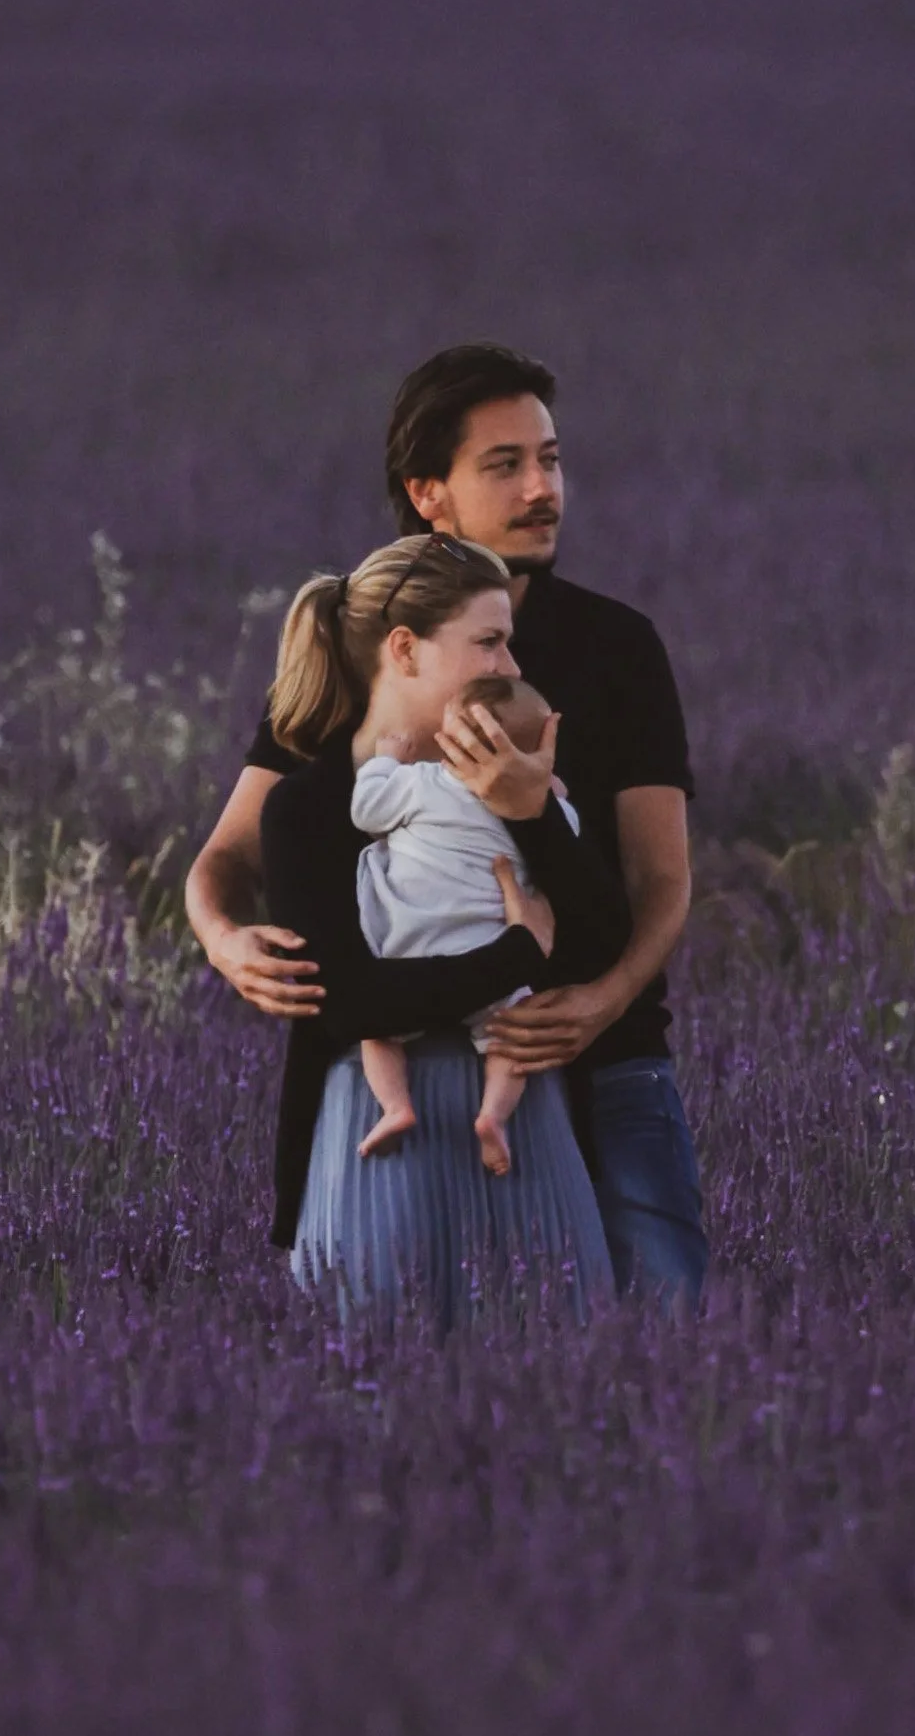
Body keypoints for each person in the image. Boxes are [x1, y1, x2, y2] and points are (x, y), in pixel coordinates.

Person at [187, 342, 710, 1308]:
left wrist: (602, 1000)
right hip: (398, 1062)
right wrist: (223, 938)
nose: (541, 487)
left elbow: (662, 882)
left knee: (660, 1339)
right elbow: (229, 853)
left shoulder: (615, 647)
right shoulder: (358, 655)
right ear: (427, 493)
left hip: (604, 1064)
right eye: (503, 465)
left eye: (549, 459)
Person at [257, 534, 631, 1325]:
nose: (509, 668)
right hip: (376, 1131)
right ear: (405, 649)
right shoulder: (310, 807)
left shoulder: (528, 779)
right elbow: (351, 1002)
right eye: (487, 643)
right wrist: (519, 951)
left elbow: (602, 947)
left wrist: (535, 820)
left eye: (509, 643)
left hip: (522, 1128)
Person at [353, 675, 579, 1176]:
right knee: (509, 1039)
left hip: (408, 950)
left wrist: (384, 760)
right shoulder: (535, 808)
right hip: (494, 952)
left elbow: (365, 810)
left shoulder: (421, 783)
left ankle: (396, 1106)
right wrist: (551, 791)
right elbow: (571, 834)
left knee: (377, 1032)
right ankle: (493, 1116)